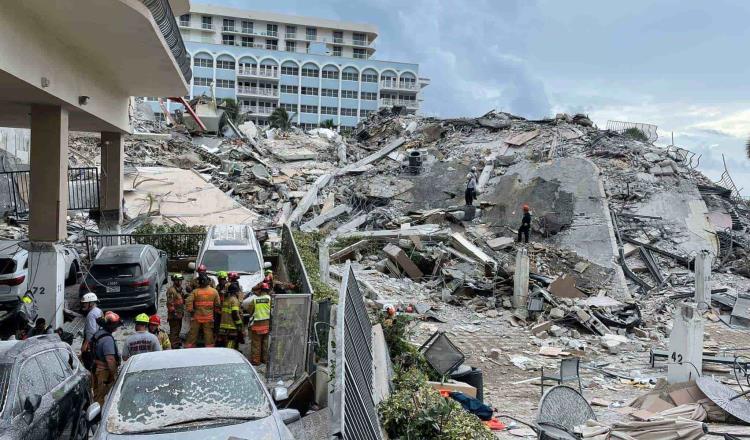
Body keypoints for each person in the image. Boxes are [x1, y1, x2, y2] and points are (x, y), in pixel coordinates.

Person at [92, 311, 122, 405]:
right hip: (104, 372)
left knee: (97, 395)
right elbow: (110, 359)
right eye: (115, 325)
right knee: (103, 398)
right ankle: (101, 418)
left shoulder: (98, 334)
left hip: (96, 369)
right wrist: (113, 375)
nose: (116, 327)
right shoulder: (107, 339)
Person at [184, 273, 221, 348]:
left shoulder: (195, 291)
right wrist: (216, 313)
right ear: (208, 281)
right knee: (208, 334)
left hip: (197, 317)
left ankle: (189, 347)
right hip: (208, 317)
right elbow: (217, 305)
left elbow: (188, 301)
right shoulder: (214, 291)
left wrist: (191, 310)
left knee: (193, 333)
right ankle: (209, 348)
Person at [245, 282, 272, 365]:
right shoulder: (270, 299)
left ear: (260, 290)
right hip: (267, 324)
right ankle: (264, 359)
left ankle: (256, 361)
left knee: (256, 344)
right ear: (267, 290)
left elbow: (250, 311)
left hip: (257, 325)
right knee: (265, 343)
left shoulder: (255, 300)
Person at [80, 292, 102, 371]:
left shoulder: (91, 315)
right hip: (97, 341)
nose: (83, 305)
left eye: (85, 303)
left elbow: (91, 331)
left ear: (91, 303)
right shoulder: (98, 311)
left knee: (89, 365)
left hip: (91, 343)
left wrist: (85, 345)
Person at [218, 283, 244, 350]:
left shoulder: (226, 299)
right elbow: (235, 313)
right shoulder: (234, 300)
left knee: (225, 343)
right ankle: (229, 356)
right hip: (231, 326)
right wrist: (239, 323)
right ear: (236, 292)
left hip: (223, 326)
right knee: (231, 342)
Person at [166, 273, 186, 348]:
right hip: (174, 316)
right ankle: (174, 345)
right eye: (179, 280)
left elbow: (181, 299)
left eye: (181, 280)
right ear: (175, 281)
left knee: (178, 329)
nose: (180, 282)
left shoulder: (179, 290)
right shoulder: (171, 291)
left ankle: (176, 341)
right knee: (174, 331)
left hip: (179, 315)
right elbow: (170, 304)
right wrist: (174, 313)